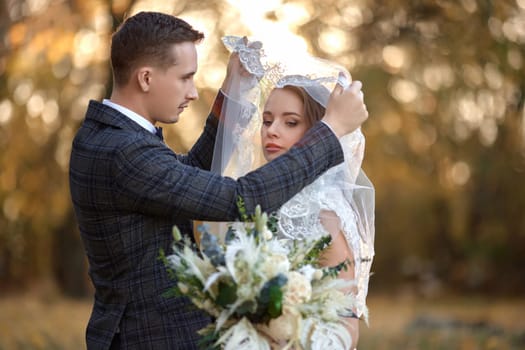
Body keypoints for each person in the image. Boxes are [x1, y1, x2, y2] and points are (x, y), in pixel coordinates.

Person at [68, 11, 368, 350]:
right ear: (146, 78)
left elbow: (188, 179)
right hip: (152, 338)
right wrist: (330, 132)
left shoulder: (109, 138)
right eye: (185, 77)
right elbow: (238, 198)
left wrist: (232, 93)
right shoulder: (124, 151)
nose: (194, 92)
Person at [211, 38, 375, 349]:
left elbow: (345, 330)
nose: (272, 131)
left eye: (291, 122)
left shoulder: (323, 215)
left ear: (317, 131)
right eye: (267, 120)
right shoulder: (260, 201)